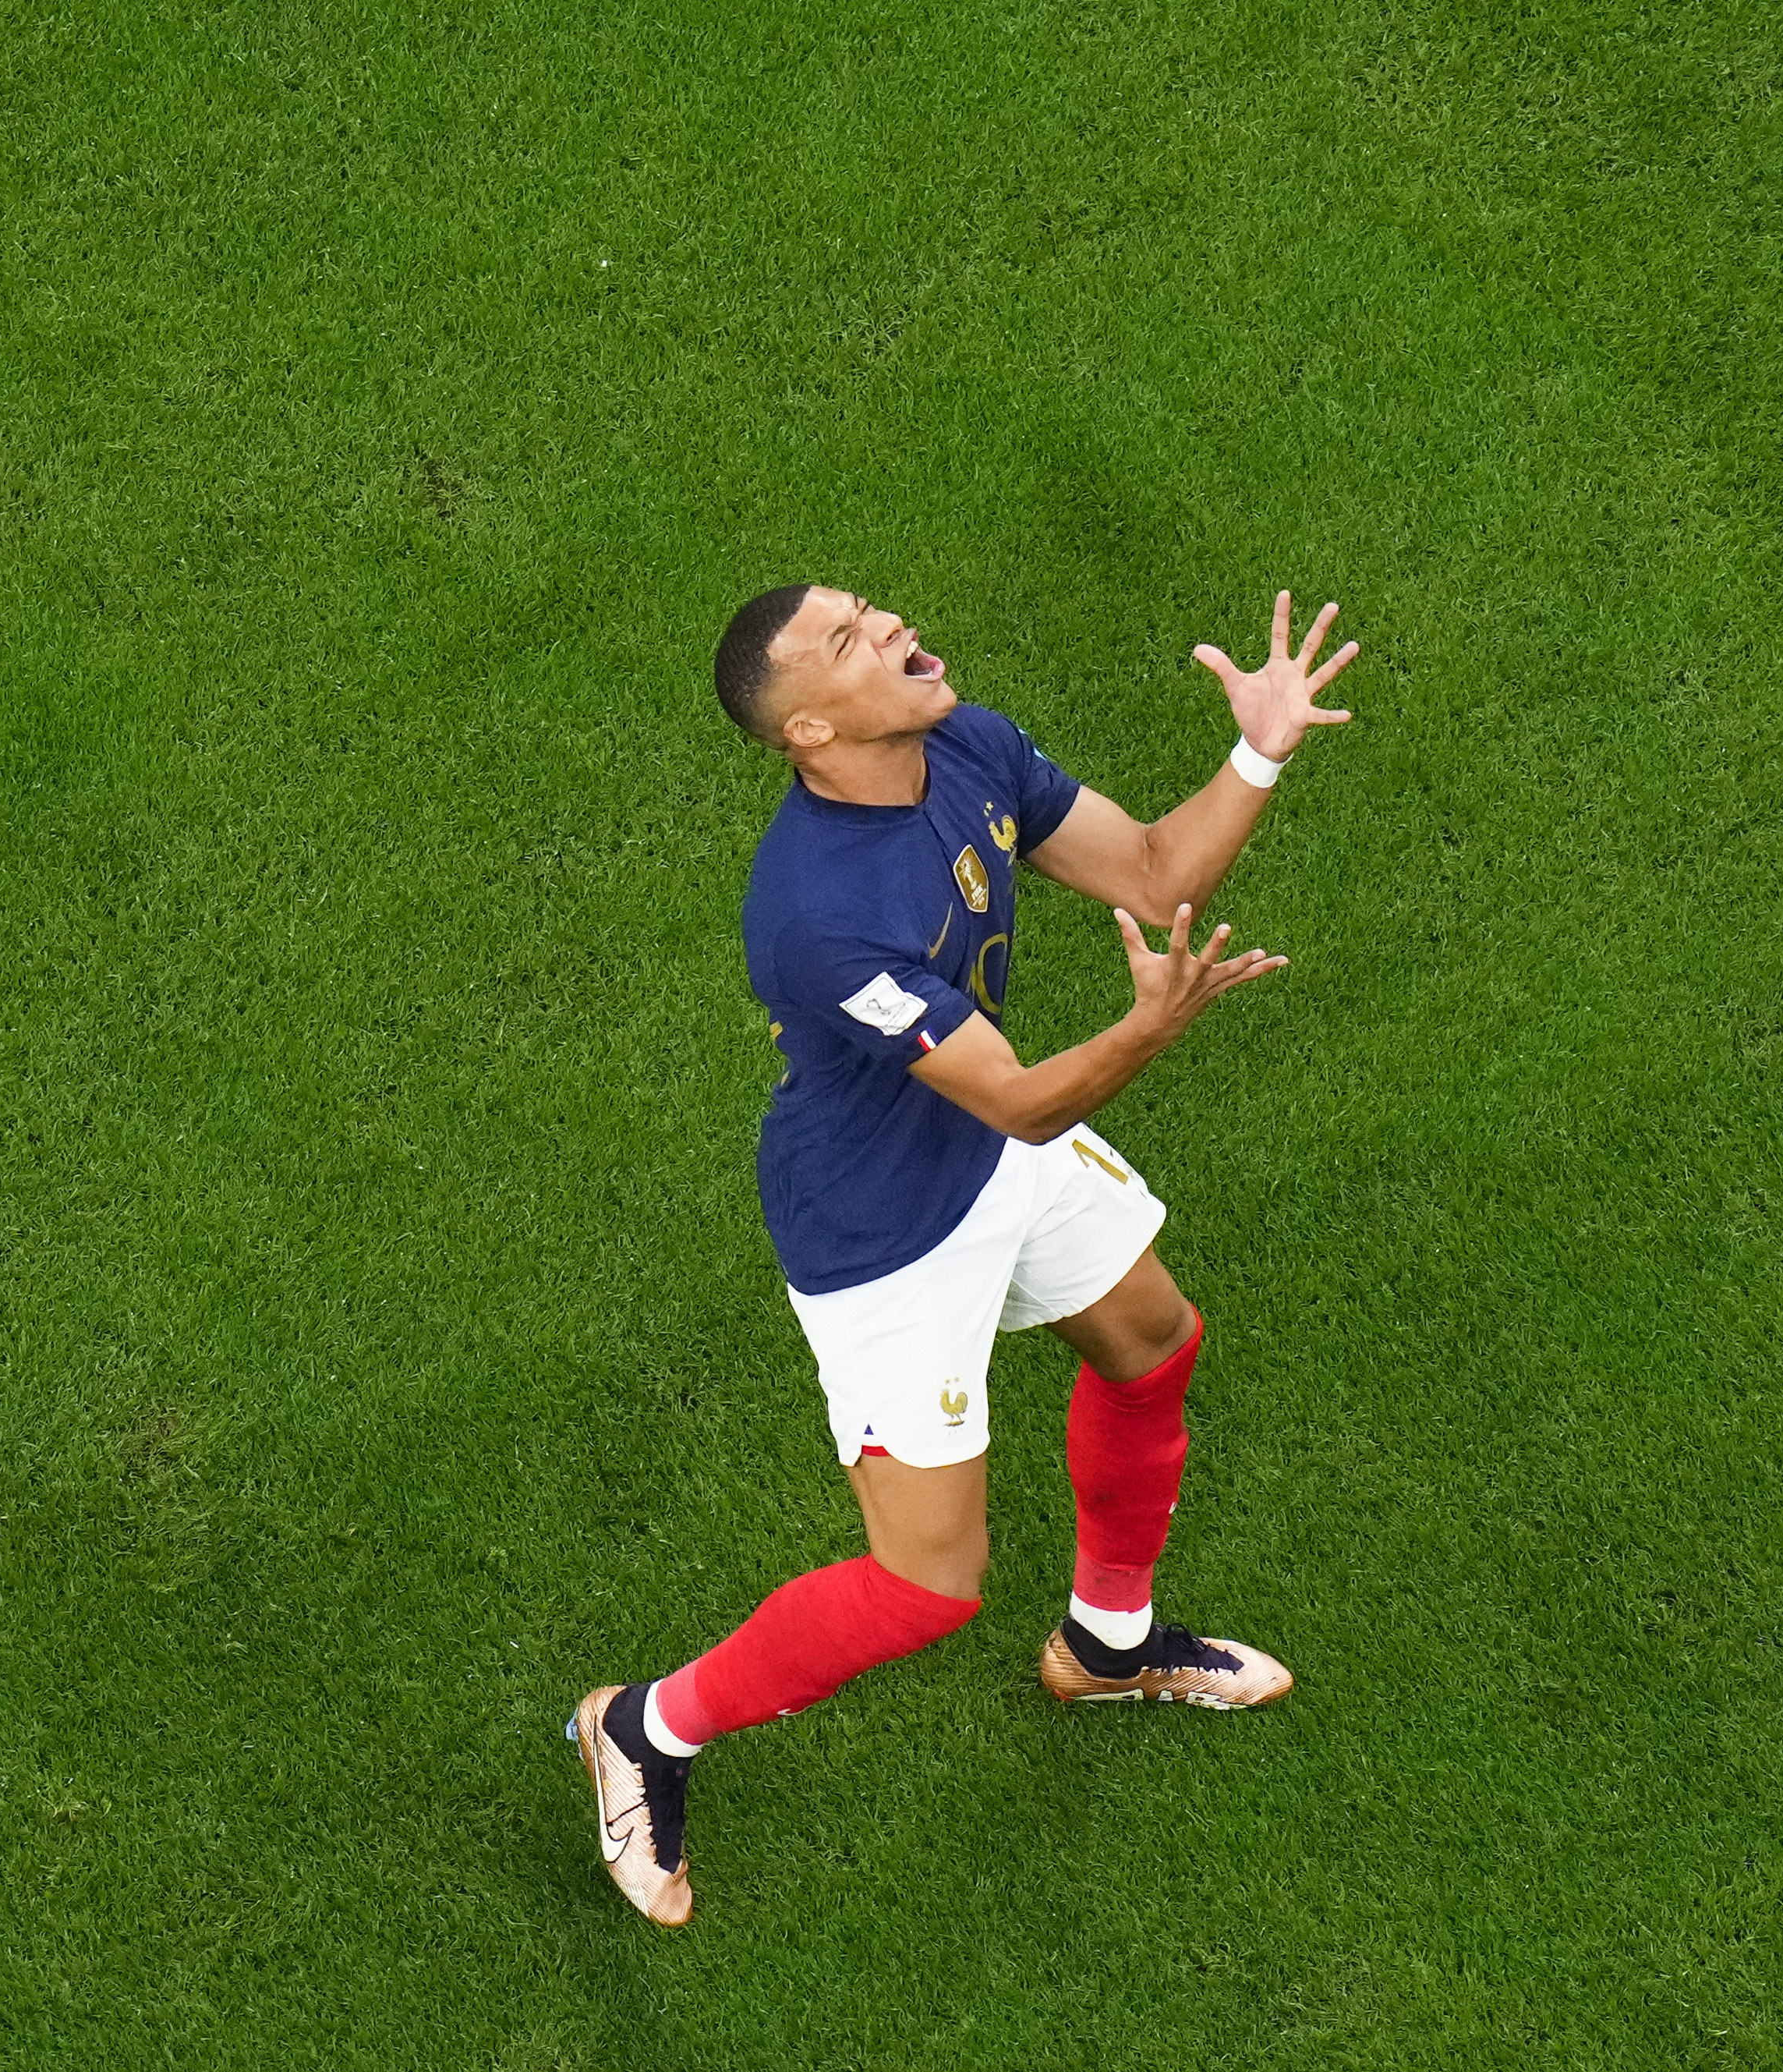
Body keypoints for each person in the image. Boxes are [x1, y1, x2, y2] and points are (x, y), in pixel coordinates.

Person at [568, 583, 1361, 1926]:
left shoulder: (972, 744)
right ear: (810, 728)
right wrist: (1152, 1028)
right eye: (847, 641)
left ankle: (1108, 1646)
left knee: (1151, 1341)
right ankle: (644, 1724)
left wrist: (1259, 748)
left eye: (867, 607)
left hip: (993, 1147)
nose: (887, 628)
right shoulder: (816, 917)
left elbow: (1157, 870)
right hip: (885, 1231)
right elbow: (1027, 1098)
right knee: (925, 1586)